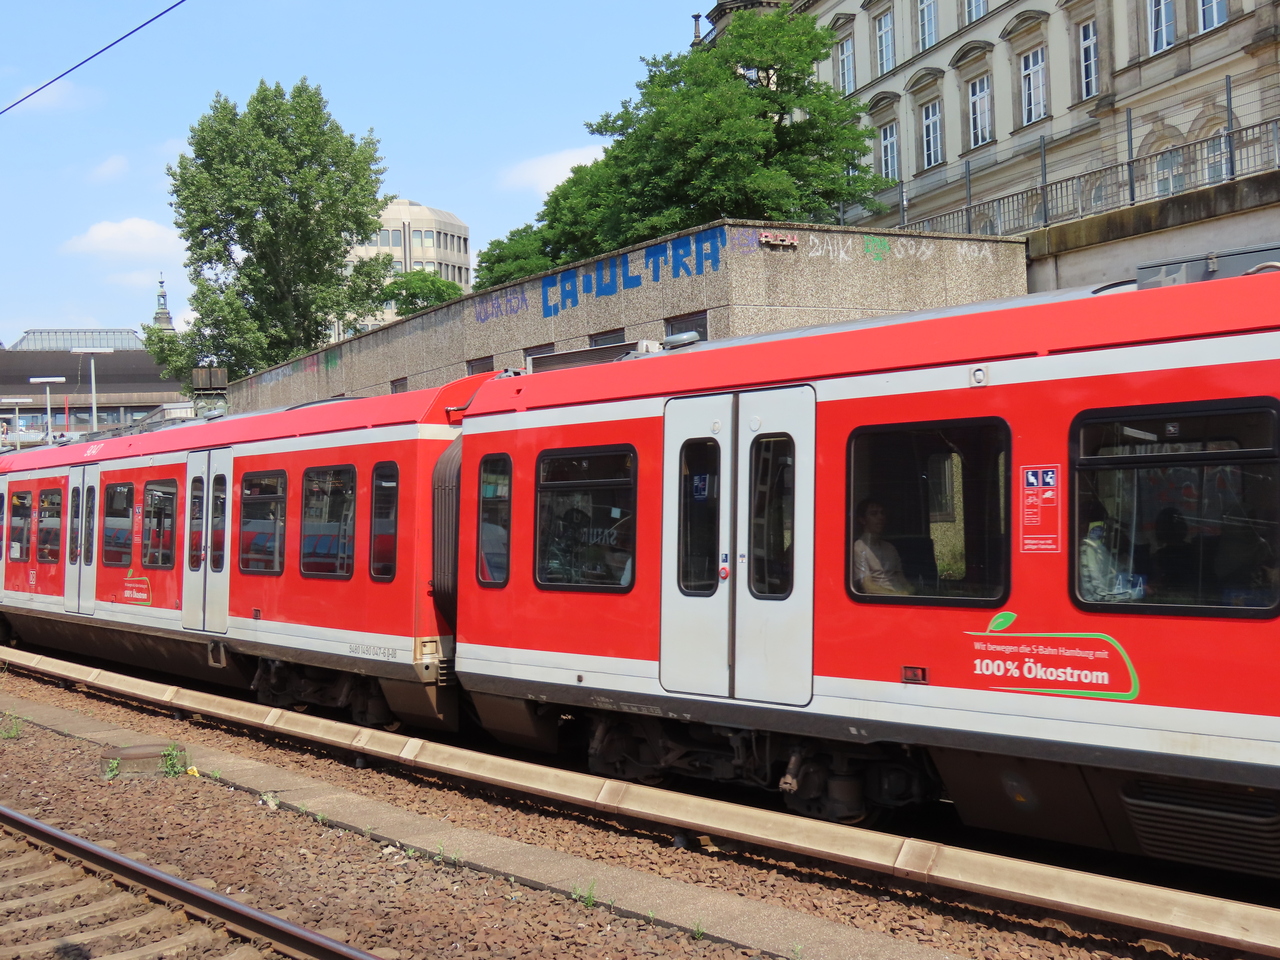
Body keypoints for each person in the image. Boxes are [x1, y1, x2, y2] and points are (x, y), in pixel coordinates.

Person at [1078, 505, 1144, 601]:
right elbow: (1098, 595)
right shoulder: (1088, 550)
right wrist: (1137, 592)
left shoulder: (1100, 549)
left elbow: (1118, 575)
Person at [853, 498, 914, 595]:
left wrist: (912, 592)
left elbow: (902, 579)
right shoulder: (859, 548)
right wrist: (898, 595)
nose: (880, 517)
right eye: (874, 514)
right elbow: (868, 586)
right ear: (862, 520)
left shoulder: (890, 548)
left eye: (882, 513)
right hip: (882, 599)